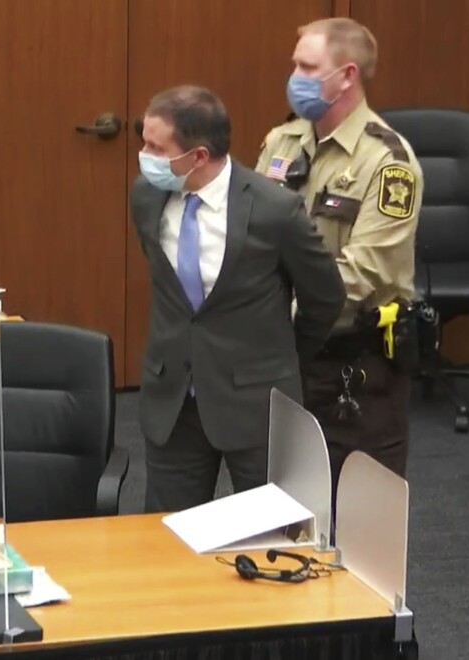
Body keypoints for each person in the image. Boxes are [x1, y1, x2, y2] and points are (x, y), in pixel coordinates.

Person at [132, 85, 345, 513]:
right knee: (164, 544)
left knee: (269, 539)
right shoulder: (146, 195)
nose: (144, 155)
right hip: (172, 401)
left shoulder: (274, 210)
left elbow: (325, 296)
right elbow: (172, 290)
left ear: (198, 157)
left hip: (255, 403)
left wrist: (282, 358)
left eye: (156, 147)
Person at [256, 18, 423, 497]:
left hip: (357, 369)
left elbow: (364, 270)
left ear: (346, 75)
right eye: (295, 64)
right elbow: (252, 237)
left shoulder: (388, 162)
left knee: (362, 522)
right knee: (289, 509)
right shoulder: (281, 143)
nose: (294, 76)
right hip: (288, 360)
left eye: (307, 67)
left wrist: (274, 314)